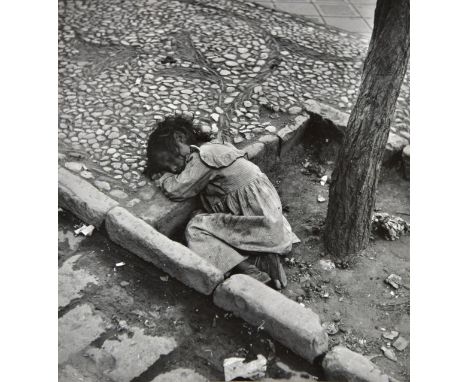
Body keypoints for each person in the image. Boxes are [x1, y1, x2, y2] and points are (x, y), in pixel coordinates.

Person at [144, 116, 299, 289]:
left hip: (260, 222)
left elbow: (178, 190)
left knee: (195, 227)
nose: (173, 169)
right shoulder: (217, 146)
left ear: (179, 138)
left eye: (170, 160)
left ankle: (247, 268)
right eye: (167, 168)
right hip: (271, 220)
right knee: (203, 216)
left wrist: (164, 177)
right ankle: (263, 254)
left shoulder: (202, 158)